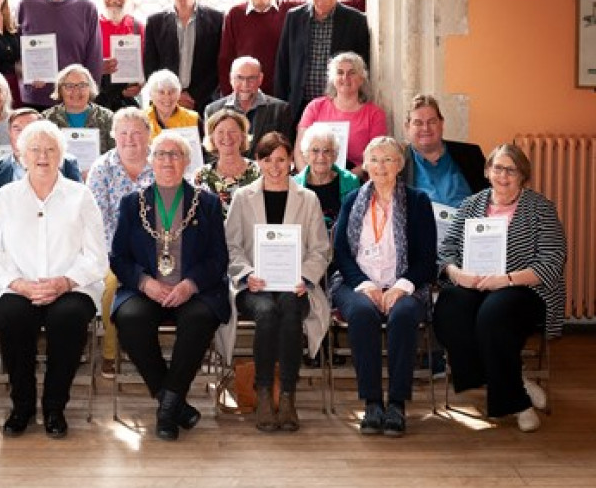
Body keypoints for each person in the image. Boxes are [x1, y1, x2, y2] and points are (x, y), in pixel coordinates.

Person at [0, 121, 108, 438]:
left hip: (71, 287)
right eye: (35, 149)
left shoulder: (81, 196)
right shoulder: (5, 196)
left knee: (68, 319)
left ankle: (55, 407)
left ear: (61, 155)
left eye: (51, 149)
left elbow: (96, 257)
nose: (42, 156)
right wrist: (19, 284)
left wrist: (64, 282)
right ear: (21, 155)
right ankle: (21, 406)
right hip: (16, 286)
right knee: (12, 317)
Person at [434, 144, 566, 432]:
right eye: (497, 168)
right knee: (449, 307)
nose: (503, 175)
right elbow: (446, 250)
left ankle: (516, 403)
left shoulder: (540, 208)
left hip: (523, 288)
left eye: (511, 169)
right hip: (475, 284)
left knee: (494, 315)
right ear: (487, 171)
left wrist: (505, 279)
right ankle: (513, 380)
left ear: (523, 175)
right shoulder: (471, 205)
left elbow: (552, 259)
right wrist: (458, 274)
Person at [110, 131, 229, 441]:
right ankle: (174, 403)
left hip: (194, 290)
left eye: (174, 154)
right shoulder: (131, 203)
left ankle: (168, 407)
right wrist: (144, 282)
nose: (167, 160)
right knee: (130, 319)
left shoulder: (208, 203)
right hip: (146, 288)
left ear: (186, 162)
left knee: (200, 319)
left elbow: (219, 258)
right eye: (161, 154)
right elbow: (118, 257)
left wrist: (190, 284)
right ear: (151, 161)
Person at [224, 132, 331, 432]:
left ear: (291, 162)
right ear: (257, 162)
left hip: (295, 284)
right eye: (267, 159)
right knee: (268, 313)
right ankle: (262, 393)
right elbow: (231, 245)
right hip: (253, 285)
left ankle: (286, 396)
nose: (275, 166)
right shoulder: (242, 198)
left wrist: (305, 278)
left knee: (289, 308)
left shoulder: (307, 199)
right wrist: (246, 274)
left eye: (281, 160)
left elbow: (320, 249)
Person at [329, 136, 436, 437]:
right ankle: (373, 402)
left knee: (403, 316)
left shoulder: (417, 202)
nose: (380, 166)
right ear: (364, 165)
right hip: (357, 283)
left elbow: (427, 259)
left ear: (400, 165)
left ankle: (397, 404)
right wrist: (364, 284)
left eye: (388, 159)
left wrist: (401, 287)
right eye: (374, 159)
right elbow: (341, 254)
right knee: (362, 315)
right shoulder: (353, 200)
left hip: (405, 283)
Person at [217, 0, 366, 97]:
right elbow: (225, 59)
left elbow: (324, 3)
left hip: (278, 94)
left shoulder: (288, 10)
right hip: (245, 92)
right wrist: (230, 97)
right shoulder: (235, 14)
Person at [86, 108, 156, 378]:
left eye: (137, 133)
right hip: (112, 253)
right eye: (123, 133)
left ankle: (147, 351)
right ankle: (110, 352)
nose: (130, 139)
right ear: (113, 135)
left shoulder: (161, 163)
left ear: (149, 135)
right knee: (111, 285)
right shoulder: (101, 169)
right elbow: (97, 221)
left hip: (157, 251)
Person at [274, 0, 371, 121]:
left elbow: (364, 66)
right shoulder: (294, 18)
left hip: (338, 105)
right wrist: (281, 105)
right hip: (300, 106)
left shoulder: (356, 21)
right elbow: (283, 64)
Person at [17, 0, 102, 108]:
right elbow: (16, 55)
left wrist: (88, 97)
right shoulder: (26, 6)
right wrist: (27, 74)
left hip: (74, 101)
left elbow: (94, 58)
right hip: (35, 99)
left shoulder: (87, 8)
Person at [143, 0, 224, 114]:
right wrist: (174, 95)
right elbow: (150, 66)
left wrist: (194, 96)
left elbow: (218, 65)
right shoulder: (155, 22)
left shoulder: (217, 19)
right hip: (164, 102)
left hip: (204, 103)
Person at [295, 52, 386, 176]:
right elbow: (299, 152)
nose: (345, 77)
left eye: (352, 73)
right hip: (314, 179)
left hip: (354, 181)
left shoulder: (375, 114)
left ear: (361, 79)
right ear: (332, 78)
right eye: (340, 72)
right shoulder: (315, 107)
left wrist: (344, 179)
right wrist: (310, 179)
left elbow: (376, 157)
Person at [0, 107, 82, 211]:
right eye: (17, 129)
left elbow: (78, 205)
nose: (23, 134)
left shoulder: (67, 163)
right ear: (9, 132)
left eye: (30, 128)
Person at [400, 94, 488, 207]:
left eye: (432, 122)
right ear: (407, 127)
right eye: (418, 123)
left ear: (441, 123)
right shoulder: (398, 164)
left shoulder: (471, 155)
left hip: (468, 223)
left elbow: (492, 198)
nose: (425, 128)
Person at [204, 56, 294, 159]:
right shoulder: (213, 110)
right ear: (231, 79)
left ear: (260, 79)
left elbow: (285, 152)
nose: (245, 84)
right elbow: (210, 153)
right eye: (240, 78)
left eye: (251, 78)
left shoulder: (280, 110)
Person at [292, 125, 361, 231]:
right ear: (305, 154)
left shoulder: (351, 182)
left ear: (335, 155)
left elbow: (357, 224)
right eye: (315, 150)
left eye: (327, 151)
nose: (321, 157)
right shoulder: (294, 185)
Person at [194, 109, 260, 217]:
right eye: (220, 132)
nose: (227, 137)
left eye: (232, 131)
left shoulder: (260, 171)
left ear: (243, 136)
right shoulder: (201, 175)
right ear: (212, 138)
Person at [95, 0, 145, 111]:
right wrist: (98, 67)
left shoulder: (138, 27)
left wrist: (140, 85)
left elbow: (147, 65)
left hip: (129, 100)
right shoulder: (92, 27)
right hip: (97, 99)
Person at [43, 64, 115, 156]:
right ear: (60, 90)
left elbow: (116, 154)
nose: (76, 91)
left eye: (82, 85)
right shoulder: (46, 119)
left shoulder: (107, 118)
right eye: (69, 86)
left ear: (90, 88)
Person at [145, 69, 200, 139]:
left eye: (172, 91)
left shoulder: (193, 118)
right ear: (151, 94)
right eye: (161, 92)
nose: (167, 97)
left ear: (179, 93)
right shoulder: (141, 119)